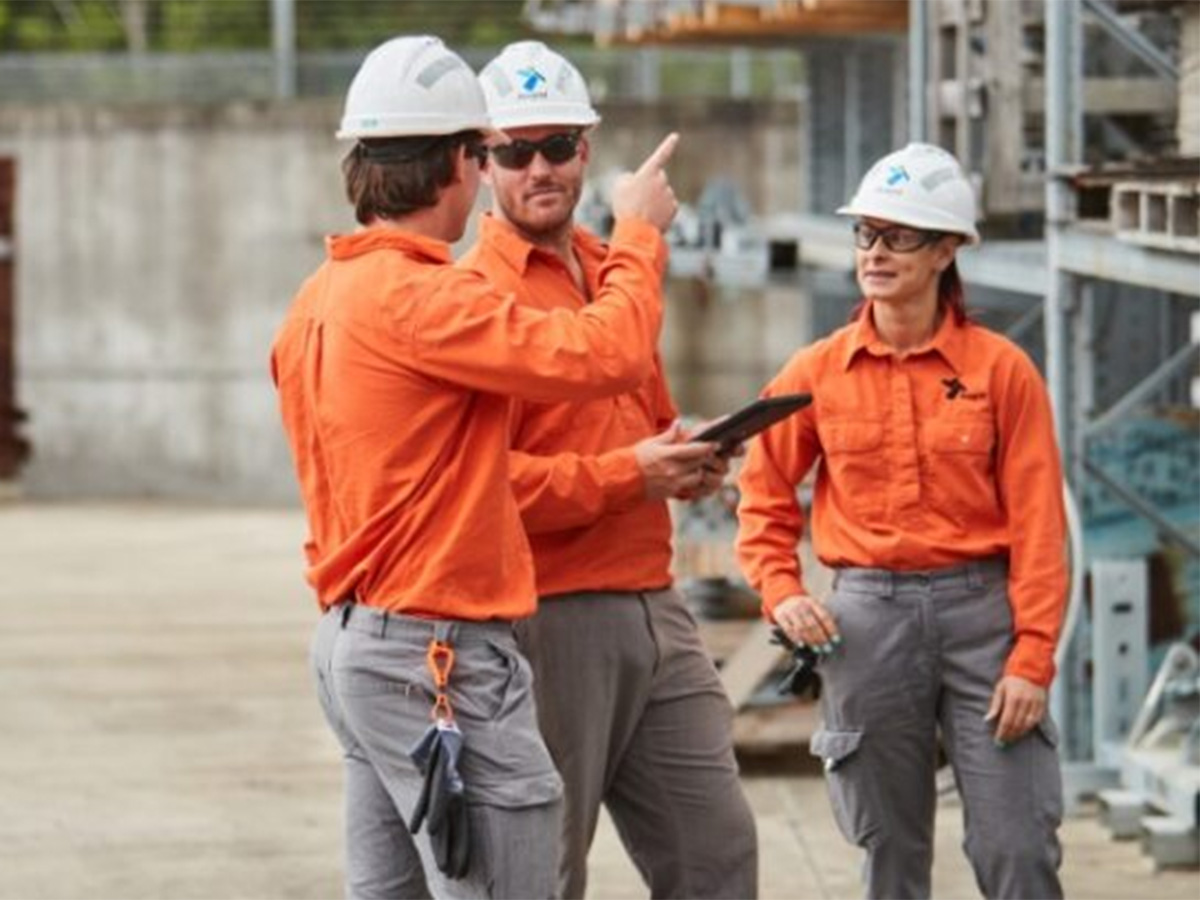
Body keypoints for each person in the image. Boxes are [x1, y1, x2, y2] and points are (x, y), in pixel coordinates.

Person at [270, 35, 681, 900]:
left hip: (357, 642)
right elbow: (604, 353)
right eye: (493, 148)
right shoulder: (425, 295)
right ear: (463, 162)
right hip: (438, 654)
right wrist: (638, 231)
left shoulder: (320, 297)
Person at [460, 41, 758, 900]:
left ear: (587, 149)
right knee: (544, 871)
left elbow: (640, 407)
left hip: (652, 605)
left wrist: (685, 455)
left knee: (718, 856)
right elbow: (488, 488)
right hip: (550, 620)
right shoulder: (477, 295)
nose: (540, 169)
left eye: (558, 146)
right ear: (482, 164)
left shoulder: (608, 268)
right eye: (515, 153)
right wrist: (633, 474)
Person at [735, 142, 1068, 900]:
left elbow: (1041, 524)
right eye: (866, 234)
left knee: (1018, 846)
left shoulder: (1000, 371)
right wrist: (782, 590)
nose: (876, 253)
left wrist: (1032, 657)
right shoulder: (815, 371)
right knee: (888, 853)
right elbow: (762, 493)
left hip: (985, 619)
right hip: (866, 623)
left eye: (900, 235)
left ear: (946, 250)